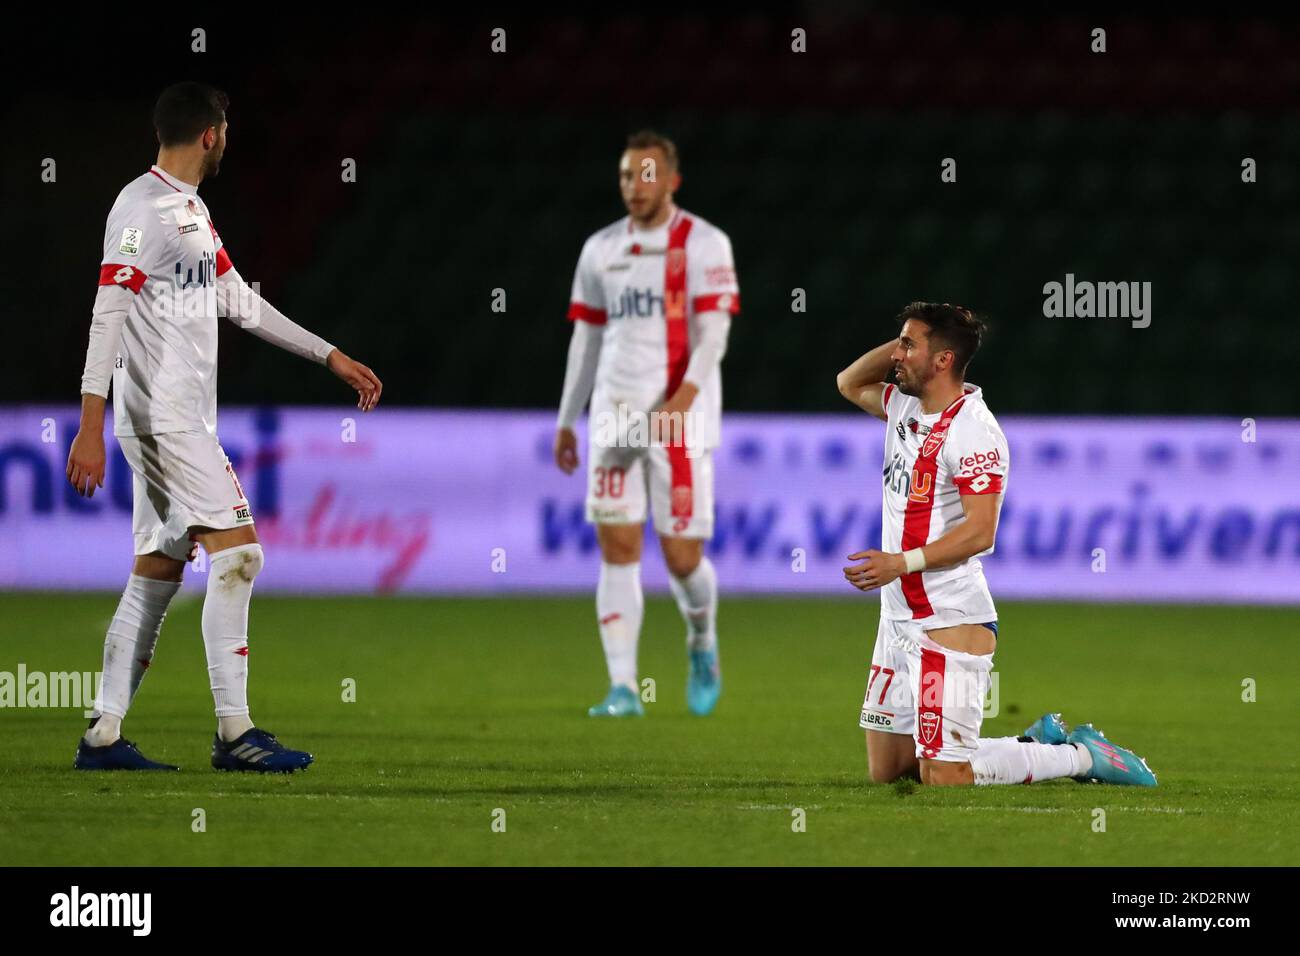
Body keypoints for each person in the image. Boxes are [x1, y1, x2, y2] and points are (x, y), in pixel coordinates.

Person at [66, 82, 382, 772]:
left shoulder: (194, 214)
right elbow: (107, 313)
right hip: (164, 419)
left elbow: (241, 302)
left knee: (157, 572)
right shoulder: (139, 207)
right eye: (227, 131)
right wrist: (89, 423)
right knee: (240, 555)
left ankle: (103, 735)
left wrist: (329, 355)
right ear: (211, 134)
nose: (229, 142)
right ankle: (236, 733)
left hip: (172, 420)